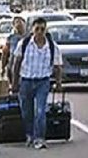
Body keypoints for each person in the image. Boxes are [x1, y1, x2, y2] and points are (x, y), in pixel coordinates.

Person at [12, 17, 62, 149]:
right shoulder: (24, 44)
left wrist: (58, 83)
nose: (39, 32)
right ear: (32, 30)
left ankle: (40, 138)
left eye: (42, 29)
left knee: (40, 111)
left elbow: (57, 66)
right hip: (26, 81)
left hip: (43, 82)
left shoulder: (52, 47)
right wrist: (14, 83)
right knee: (26, 111)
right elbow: (16, 63)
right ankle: (30, 135)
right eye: (37, 29)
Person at [2, 16, 28, 83]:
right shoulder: (11, 37)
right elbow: (5, 52)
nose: (19, 25)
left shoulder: (29, 37)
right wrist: (3, 67)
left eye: (21, 23)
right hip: (13, 61)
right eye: (17, 23)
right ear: (14, 26)